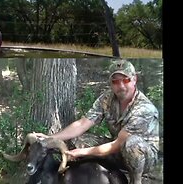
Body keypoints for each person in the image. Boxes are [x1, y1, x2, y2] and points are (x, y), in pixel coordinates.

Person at [27, 59, 159, 184]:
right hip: (117, 150)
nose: (121, 86)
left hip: (143, 157)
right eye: (115, 81)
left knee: (131, 144)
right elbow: (82, 124)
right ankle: (97, 175)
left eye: (126, 80)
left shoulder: (144, 109)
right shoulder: (107, 98)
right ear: (110, 83)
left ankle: (136, 180)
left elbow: (118, 144)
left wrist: (83, 152)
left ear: (134, 79)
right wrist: (49, 139)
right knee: (80, 140)